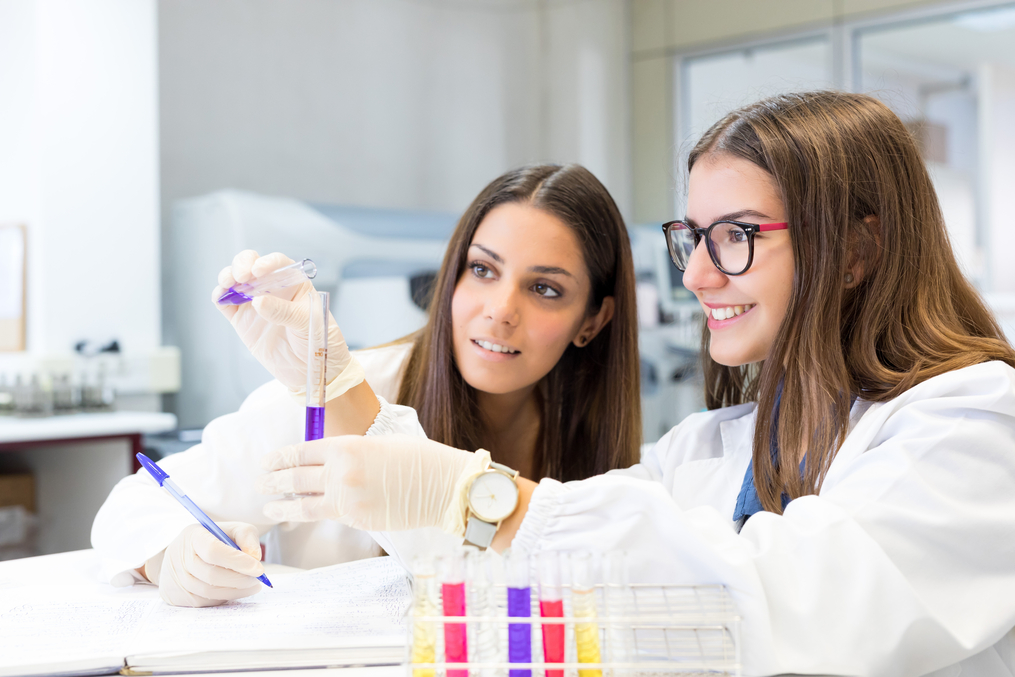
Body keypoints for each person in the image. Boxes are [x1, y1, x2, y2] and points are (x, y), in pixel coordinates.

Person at [258, 91, 1015, 676]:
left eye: (736, 236)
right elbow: (523, 568)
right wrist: (340, 385)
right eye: (692, 236)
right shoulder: (709, 448)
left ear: (853, 248)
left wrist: (474, 495)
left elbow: (784, 594)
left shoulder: (974, 424)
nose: (693, 273)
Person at [91, 163, 642, 606]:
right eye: (482, 270)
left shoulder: (603, 448)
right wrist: (172, 556)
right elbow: (134, 503)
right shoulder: (333, 391)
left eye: (544, 289)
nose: (500, 311)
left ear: (592, 320)